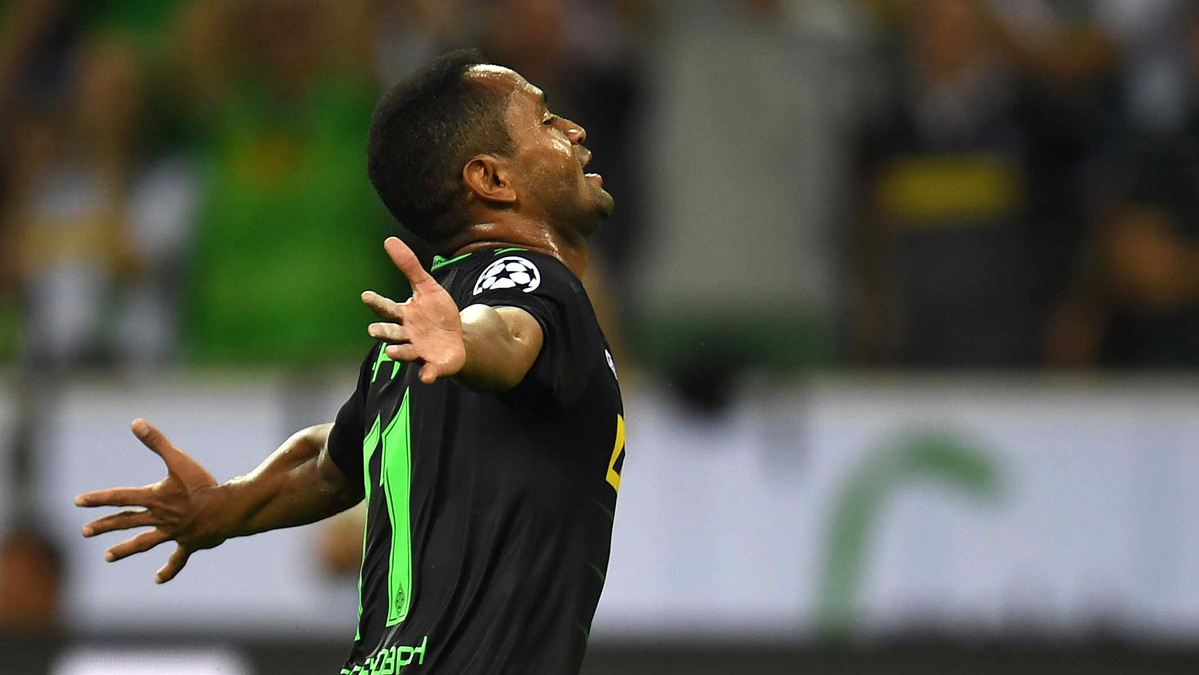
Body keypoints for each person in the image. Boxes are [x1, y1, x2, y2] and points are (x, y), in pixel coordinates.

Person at [75, 50, 626, 675]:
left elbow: (330, 461)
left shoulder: (403, 349)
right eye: (547, 121)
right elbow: (506, 331)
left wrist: (225, 506)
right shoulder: (529, 281)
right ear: (491, 180)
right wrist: (469, 345)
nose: (574, 130)